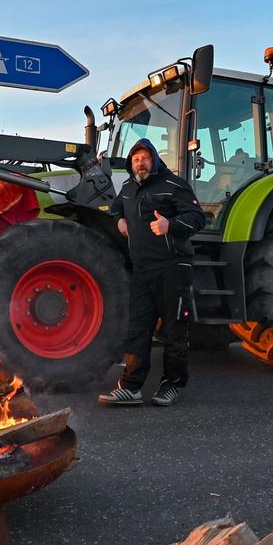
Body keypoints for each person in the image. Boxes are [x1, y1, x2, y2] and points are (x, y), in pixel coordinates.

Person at [99, 139, 208, 407]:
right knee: (137, 329)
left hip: (172, 266)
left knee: (174, 329)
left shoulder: (173, 185)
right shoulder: (127, 188)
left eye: (145, 158)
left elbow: (197, 217)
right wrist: (119, 220)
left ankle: (171, 384)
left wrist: (169, 225)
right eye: (135, 159)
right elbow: (115, 208)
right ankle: (131, 386)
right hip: (142, 269)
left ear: (154, 160)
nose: (140, 163)